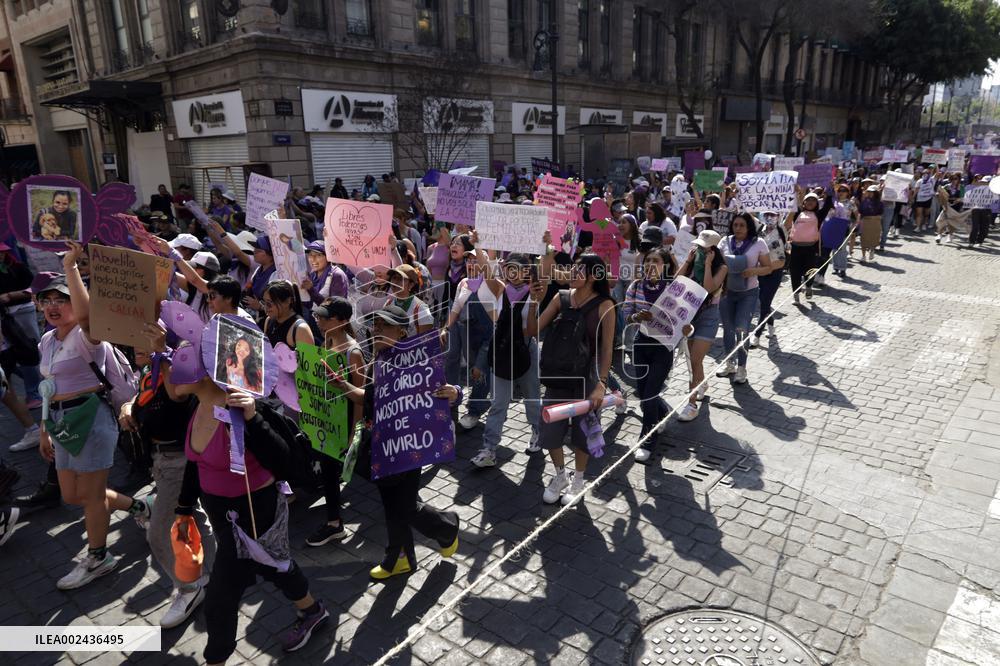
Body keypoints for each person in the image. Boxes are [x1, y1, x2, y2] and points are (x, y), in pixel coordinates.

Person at [173, 373, 328, 661]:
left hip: (253, 513)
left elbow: (285, 462)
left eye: (180, 363)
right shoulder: (199, 405)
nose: (171, 372)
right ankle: (312, 611)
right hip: (220, 515)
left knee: (219, 600)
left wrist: (254, 418)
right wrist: (183, 508)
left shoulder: (239, 407)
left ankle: (215, 658)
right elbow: (195, 463)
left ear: (205, 370)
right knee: (273, 565)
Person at [38, 246, 148, 590]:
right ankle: (141, 507)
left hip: (92, 420)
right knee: (73, 495)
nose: (54, 307)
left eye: (62, 299)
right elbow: (47, 386)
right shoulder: (45, 340)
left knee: (91, 494)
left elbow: (88, 318)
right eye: (47, 300)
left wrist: (70, 265)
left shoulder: (88, 338)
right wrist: (44, 429)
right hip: (60, 422)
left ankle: (99, 556)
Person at [329, 305, 460, 580]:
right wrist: (342, 385)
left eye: (384, 327)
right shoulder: (381, 360)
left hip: (411, 443)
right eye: (375, 327)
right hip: (385, 442)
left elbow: (445, 388)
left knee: (406, 505)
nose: (376, 332)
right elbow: (369, 397)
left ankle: (446, 528)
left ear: (401, 331)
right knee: (391, 501)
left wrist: (454, 393)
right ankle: (399, 557)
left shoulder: (419, 357)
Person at [120, 338, 213, 628]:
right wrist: (128, 406)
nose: (133, 343)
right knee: (193, 515)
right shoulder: (151, 372)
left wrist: (164, 350)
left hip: (177, 462)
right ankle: (214, 569)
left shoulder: (173, 374)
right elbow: (144, 396)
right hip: (161, 461)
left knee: (158, 534)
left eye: (141, 340)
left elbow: (176, 392)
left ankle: (190, 588)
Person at [526, 254, 615, 507]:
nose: (572, 273)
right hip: (557, 377)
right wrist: (534, 302)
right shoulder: (561, 297)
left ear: (592, 277)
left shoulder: (605, 305)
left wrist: (601, 385)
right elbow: (533, 331)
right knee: (550, 432)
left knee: (582, 435)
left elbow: (607, 350)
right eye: (572, 269)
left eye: (579, 270)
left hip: (586, 381)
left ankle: (579, 480)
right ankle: (560, 475)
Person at [472, 253, 543, 466]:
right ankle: (489, 449)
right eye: (509, 268)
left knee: (532, 397)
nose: (513, 272)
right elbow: (485, 269)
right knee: (498, 402)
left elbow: (531, 327)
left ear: (527, 271)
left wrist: (547, 248)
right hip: (502, 350)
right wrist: (479, 245)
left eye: (518, 268)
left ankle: (538, 432)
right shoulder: (501, 288)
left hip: (526, 349)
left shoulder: (535, 291)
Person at [306, 298, 364, 546]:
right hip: (328, 422)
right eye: (318, 316)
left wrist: (354, 435)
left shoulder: (354, 353)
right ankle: (334, 523)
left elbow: (361, 399)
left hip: (346, 424)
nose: (318, 321)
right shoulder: (328, 340)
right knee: (329, 472)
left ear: (342, 321)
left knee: (359, 472)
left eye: (324, 317)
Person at [623, 247, 678, 461]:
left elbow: (684, 318)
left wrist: (684, 330)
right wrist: (637, 316)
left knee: (649, 395)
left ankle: (647, 439)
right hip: (641, 344)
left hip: (663, 348)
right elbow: (626, 316)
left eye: (655, 261)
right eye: (647, 260)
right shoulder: (635, 286)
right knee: (644, 392)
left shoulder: (674, 289)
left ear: (664, 265)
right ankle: (662, 412)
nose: (650, 265)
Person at [675, 231, 728, 422]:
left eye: (703, 249)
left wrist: (706, 265)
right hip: (689, 315)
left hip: (708, 316)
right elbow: (677, 281)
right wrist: (688, 261)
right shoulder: (692, 262)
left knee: (694, 361)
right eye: (697, 247)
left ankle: (691, 404)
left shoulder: (721, 267)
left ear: (712, 251)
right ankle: (702, 383)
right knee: (694, 360)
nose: (698, 251)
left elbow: (708, 288)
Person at [716, 213, 771, 384]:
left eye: (742, 225)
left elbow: (768, 268)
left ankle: (742, 367)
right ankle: (729, 363)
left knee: (741, 329)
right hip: (726, 292)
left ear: (749, 227)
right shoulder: (724, 242)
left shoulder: (759, 243)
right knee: (728, 329)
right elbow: (717, 264)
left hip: (748, 293)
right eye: (735, 225)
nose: (738, 228)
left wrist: (753, 271)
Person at [751, 212, 787, 347]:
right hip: (761, 272)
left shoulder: (781, 229)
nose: (769, 217)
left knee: (765, 303)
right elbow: (747, 213)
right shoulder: (760, 229)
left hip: (775, 271)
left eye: (773, 214)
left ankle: (757, 334)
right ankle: (771, 325)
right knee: (764, 302)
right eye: (766, 214)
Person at [787, 190, 828, 304]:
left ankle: (809, 286)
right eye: (808, 200)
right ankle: (796, 295)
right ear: (803, 202)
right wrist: (797, 191)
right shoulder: (797, 212)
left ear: (817, 204)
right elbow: (792, 203)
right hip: (795, 248)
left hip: (810, 248)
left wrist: (829, 189)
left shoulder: (819, 215)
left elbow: (828, 203)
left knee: (809, 271)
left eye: (813, 200)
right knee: (794, 272)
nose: (810, 202)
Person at [387, 265, 432, 337]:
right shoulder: (388, 304)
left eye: (400, 279)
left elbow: (426, 341)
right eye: (394, 278)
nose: (395, 282)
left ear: (411, 285)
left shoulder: (421, 309)